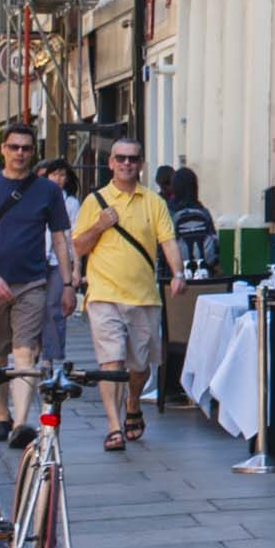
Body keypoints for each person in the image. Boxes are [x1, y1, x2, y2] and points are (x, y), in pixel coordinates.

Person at [0, 124, 78, 447]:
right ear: (3, 149)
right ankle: (2, 415)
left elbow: (60, 240)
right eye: (14, 147)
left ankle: (22, 424)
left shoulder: (47, 192)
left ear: (33, 152)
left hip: (32, 283)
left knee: (24, 351)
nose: (20, 153)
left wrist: (68, 283)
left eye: (26, 148)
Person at [73, 141, 184, 451]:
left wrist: (179, 273)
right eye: (120, 158)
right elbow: (79, 247)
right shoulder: (95, 201)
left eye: (132, 159)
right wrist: (99, 225)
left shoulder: (153, 202)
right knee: (112, 362)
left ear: (141, 164)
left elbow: (168, 242)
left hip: (143, 297)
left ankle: (133, 403)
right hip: (104, 294)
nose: (126, 164)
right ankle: (112, 426)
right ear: (110, 163)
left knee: (138, 367)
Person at [37, 160, 82, 364]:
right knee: (34, 307)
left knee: (54, 308)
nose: (58, 179)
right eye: (54, 175)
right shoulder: (36, 200)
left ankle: (50, 358)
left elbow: (75, 237)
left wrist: (76, 268)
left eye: (62, 175)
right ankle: (35, 347)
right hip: (36, 260)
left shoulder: (71, 203)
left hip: (59, 262)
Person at [168, 167, 218, 278]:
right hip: (204, 275)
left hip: (177, 276)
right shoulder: (203, 212)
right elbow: (215, 244)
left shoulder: (169, 212)